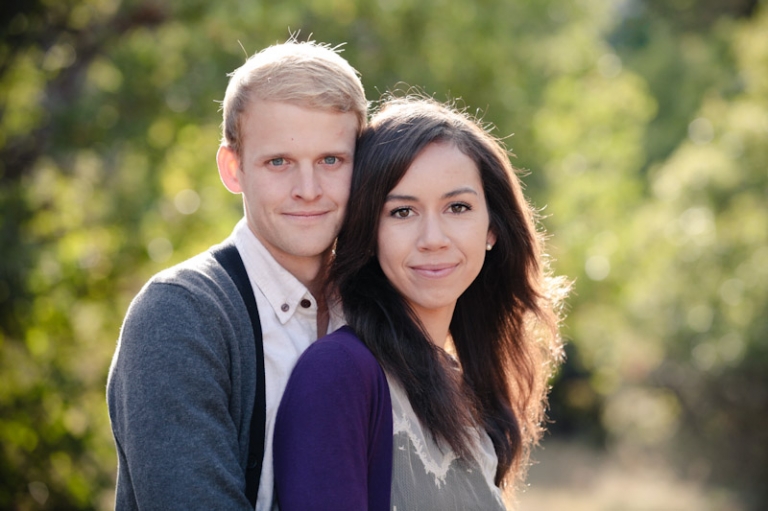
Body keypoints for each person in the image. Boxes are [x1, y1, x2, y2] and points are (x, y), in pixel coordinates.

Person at [106, 39, 367, 510]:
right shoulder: (179, 314)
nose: (308, 190)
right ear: (233, 169)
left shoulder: (377, 307)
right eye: (278, 162)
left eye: (331, 160)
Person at [273, 96, 569, 510]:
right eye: (402, 212)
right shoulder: (338, 373)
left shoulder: (467, 388)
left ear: (492, 228)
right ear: (368, 229)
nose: (433, 239)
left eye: (458, 207)